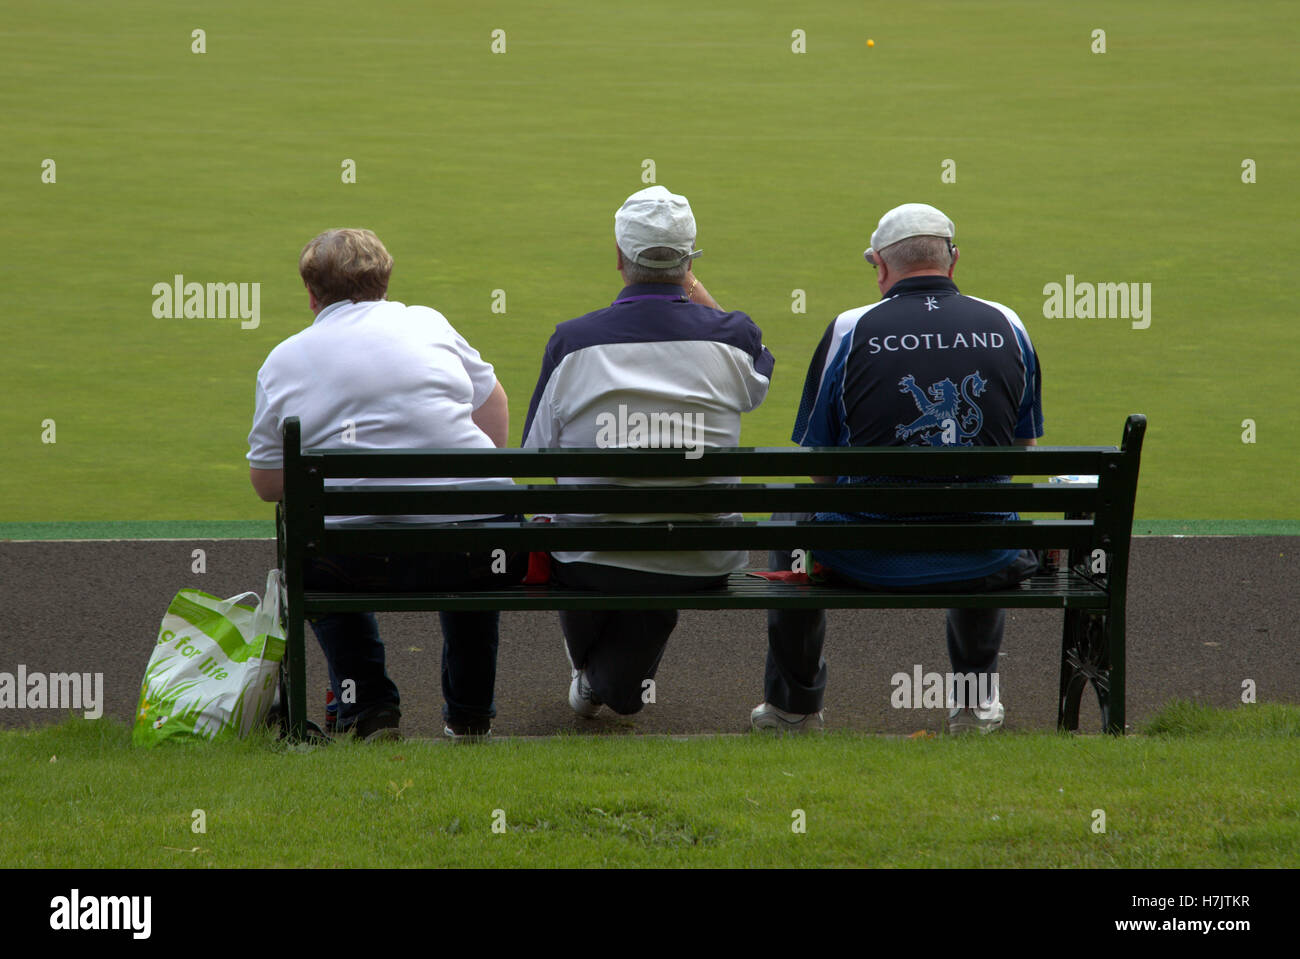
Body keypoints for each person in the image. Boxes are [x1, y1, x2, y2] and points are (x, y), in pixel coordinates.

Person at [754, 203, 1043, 735]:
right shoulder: (1009, 323)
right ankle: (975, 705)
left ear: (881, 267)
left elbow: (819, 467)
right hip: (983, 551)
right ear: (953, 260)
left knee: (792, 505)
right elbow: (1018, 449)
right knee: (983, 501)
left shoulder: (850, 327)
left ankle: (793, 708)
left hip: (865, 553)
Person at [246, 228, 524, 741]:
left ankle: (368, 704)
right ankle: (469, 714)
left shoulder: (284, 358)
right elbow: (495, 407)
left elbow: (267, 484)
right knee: (474, 529)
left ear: (312, 294)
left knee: (316, 551)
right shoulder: (430, 323)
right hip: (481, 550)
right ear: (385, 282)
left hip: (353, 562)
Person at [522, 186, 773, 718]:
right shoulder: (735, 336)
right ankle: (604, 681)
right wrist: (695, 288)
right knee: (650, 554)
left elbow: (535, 455)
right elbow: (757, 380)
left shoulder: (572, 341)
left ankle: (599, 680)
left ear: (618, 257)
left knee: (567, 515)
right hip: (700, 554)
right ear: (690, 262)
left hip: (590, 554)